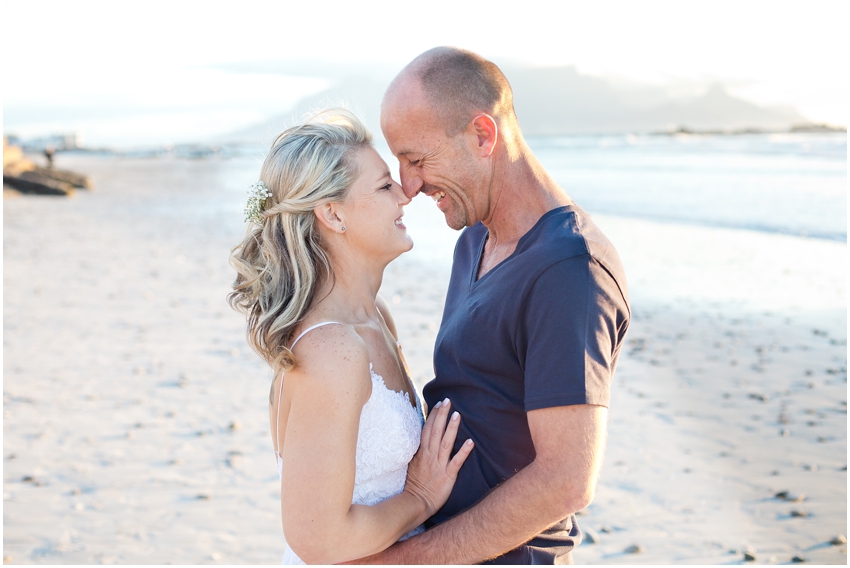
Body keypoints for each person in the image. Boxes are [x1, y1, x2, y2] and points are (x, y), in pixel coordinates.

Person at [347, 47, 631, 564]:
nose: (408, 186)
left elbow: (566, 481)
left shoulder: (569, 269)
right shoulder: (474, 241)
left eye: (417, 159)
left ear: (483, 135)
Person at [228, 109, 474, 564]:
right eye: (384, 186)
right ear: (333, 214)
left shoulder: (375, 317)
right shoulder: (332, 350)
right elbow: (319, 540)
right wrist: (420, 497)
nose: (405, 195)